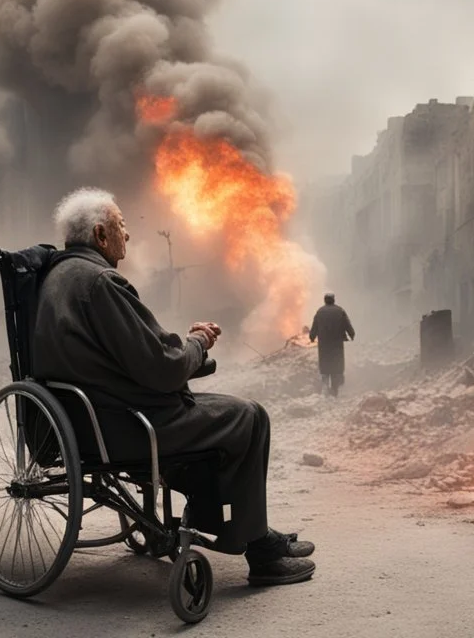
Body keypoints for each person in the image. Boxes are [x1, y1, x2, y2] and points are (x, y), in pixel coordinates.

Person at [31, 187, 316, 587]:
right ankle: (260, 553)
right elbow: (163, 368)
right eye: (121, 226)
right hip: (130, 425)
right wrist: (198, 343)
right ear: (100, 235)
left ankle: (251, 531)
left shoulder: (57, 277)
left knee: (225, 414)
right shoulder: (101, 283)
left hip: (86, 422)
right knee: (250, 417)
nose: (127, 236)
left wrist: (182, 352)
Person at [308, 293, 355, 397]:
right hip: (336, 344)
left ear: (325, 300)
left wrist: (312, 337)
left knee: (326, 365)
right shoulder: (340, 311)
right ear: (333, 300)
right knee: (336, 365)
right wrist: (351, 334)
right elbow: (347, 324)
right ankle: (335, 389)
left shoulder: (320, 312)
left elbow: (315, 326)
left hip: (324, 344)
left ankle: (325, 387)